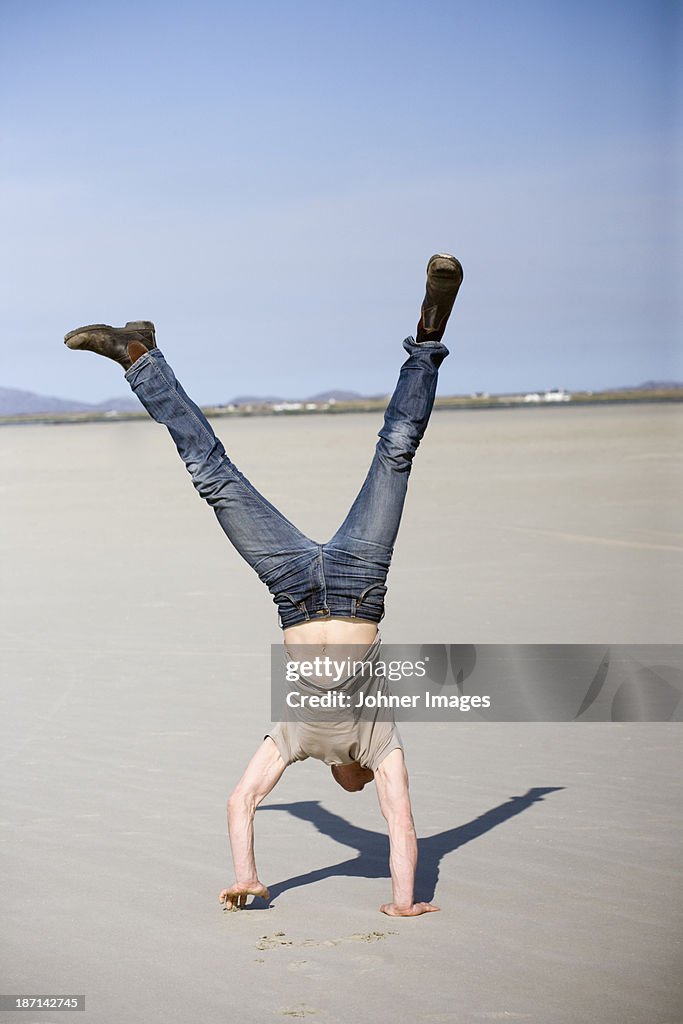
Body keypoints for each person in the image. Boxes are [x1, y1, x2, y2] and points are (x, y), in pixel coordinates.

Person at [64, 253, 463, 916]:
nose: (352, 785)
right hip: (359, 583)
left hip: (291, 591)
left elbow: (240, 799)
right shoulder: (378, 745)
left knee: (212, 477)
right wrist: (402, 899)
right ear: (357, 775)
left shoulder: (291, 741)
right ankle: (428, 335)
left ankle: (139, 357)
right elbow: (402, 826)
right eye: (356, 785)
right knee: (395, 448)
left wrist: (248, 875)